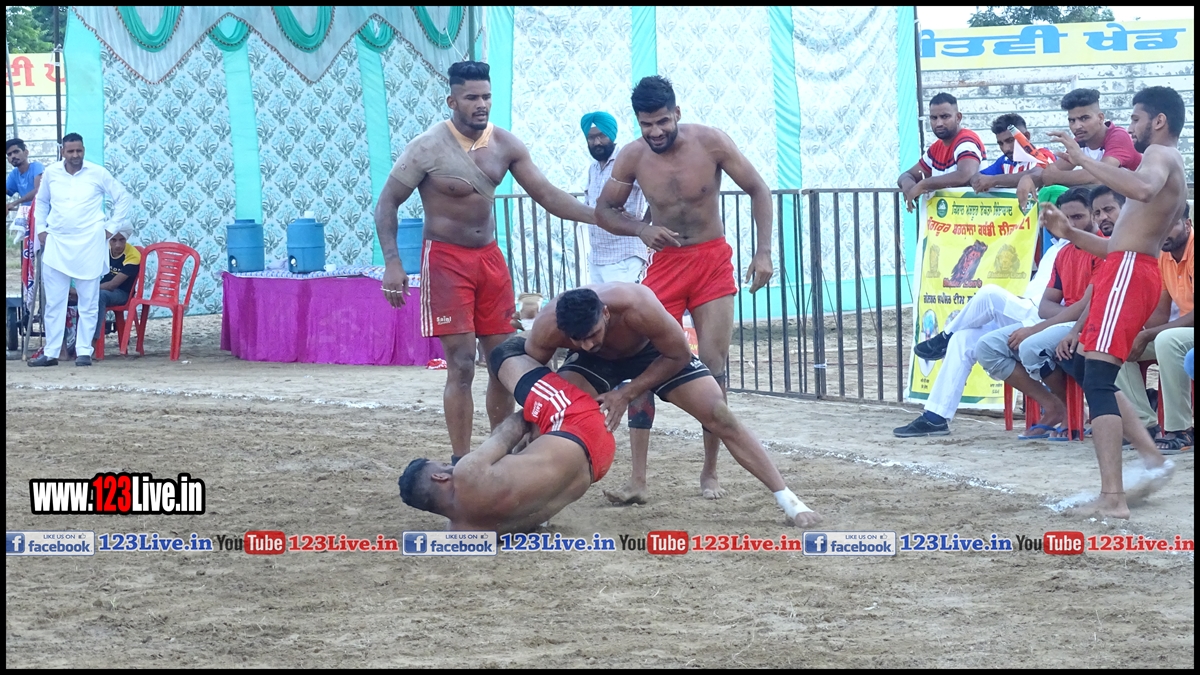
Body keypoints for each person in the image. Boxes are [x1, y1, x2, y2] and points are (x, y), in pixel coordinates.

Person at [374, 61, 596, 464]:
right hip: (446, 261)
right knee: (461, 364)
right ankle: (462, 460)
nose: (481, 104)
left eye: (487, 97)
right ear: (452, 100)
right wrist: (393, 262)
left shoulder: (506, 145)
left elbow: (548, 195)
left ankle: (499, 453)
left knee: (502, 361)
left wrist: (602, 218)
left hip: (490, 261)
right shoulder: (427, 147)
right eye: (472, 97)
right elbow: (387, 202)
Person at [593, 75, 776, 502]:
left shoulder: (711, 142)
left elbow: (758, 189)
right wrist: (641, 229)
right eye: (646, 124)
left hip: (711, 261)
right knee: (642, 361)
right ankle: (638, 481)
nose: (655, 132)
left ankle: (710, 471)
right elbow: (604, 210)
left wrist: (764, 252)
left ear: (676, 112)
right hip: (666, 265)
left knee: (713, 364)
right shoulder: (632, 156)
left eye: (662, 122)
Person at [523, 284, 822, 527]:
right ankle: (533, 504)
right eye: (578, 340)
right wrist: (542, 408)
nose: (587, 343)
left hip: (657, 354)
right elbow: (531, 374)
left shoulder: (638, 305)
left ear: (605, 313)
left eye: (592, 335)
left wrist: (626, 393)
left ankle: (789, 501)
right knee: (553, 414)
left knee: (720, 414)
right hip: (594, 364)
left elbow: (679, 354)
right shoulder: (550, 326)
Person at [1038, 86, 1186, 518]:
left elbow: (1142, 189)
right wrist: (1069, 233)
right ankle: (1151, 459)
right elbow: (1115, 246)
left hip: (1129, 273)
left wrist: (1082, 160)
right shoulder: (1164, 158)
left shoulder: (1159, 154)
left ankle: (1112, 497)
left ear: (1158, 120)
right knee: (1089, 369)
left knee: (1099, 380)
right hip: (1126, 268)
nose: (1130, 126)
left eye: (1136, 118)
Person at [896, 186, 1071, 437]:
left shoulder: (1082, 247)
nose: (1046, 221)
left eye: (1052, 215)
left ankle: (943, 337)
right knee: (963, 339)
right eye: (1045, 215)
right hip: (1026, 312)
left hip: (1044, 319)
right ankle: (935, 417)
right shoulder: (1055, 247)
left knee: (989, 294)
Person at [398, 338, 615, 533]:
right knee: (504, 354)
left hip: (598, 462)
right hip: (580, 423)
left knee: (533, 437)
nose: (448, 466)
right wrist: (534, 409)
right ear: (440, 477)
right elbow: (509, 432)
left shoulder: (466, 529)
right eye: (443, 465)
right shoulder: (467, 474)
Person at [974, 187, 1098, 437]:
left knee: (1032, 346)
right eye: (1066, 219)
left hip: (1091, 322)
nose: (1071, 225)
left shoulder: (1102, 250)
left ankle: (1073, 412)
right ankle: (1055, 406)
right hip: (1063, 321)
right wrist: (1062, 316)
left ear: (1093, 216)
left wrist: (1038, 328)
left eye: (1078, 217)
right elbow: (1045, 306)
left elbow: (1089, 305)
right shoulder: (1063, 252)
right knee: (987, 347)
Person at [579, 110, 656, 488]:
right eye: (591, 137)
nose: (596, 141)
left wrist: (645, 229)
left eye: (600, 136)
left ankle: (637, 472)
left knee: (629, 345)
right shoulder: (593, 170)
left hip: (628, 258)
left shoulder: (627, 160)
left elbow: (654, 197)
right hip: (599, 261)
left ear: (611, 135)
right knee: (602, 344)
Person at [29, 133, 131, 368]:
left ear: (83, 150)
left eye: (79, 151)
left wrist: (111, 228)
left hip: (89, 243)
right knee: (55, 301)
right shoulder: (52, 173)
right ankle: (52, 352)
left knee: (89, 300)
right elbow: (42, 202)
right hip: (57, 241)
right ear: (62, 152)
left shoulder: (97, 172)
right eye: (70, 151)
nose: (75, 155)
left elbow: (122, 198)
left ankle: (84, 351)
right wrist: (41, 229)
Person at [1113, 205, 1192, 453]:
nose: (1163, 232)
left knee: (1168, 340)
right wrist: (1137, 332)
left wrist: (1149, 334)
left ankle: (1182, 430)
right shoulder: (1164, 257)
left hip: (1182, 334)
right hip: (1184, 332)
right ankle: (1144, 426)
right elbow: (1161, 312)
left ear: (1187, 224)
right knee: (1118, 342)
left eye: (1172, 224)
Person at [1017, 88, 1141, 210]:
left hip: (1137, 207)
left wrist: (1057, 177)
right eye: (1072, 120)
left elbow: (1100, 176)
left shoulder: (1118, 136)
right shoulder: (1080, 141)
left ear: (1100, 118)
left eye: (1084, 118)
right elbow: (1049, 172)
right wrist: (1029, 178)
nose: (1077, 126)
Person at [898, 92, 985, 212]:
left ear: (958, 117)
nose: (938, 123)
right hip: (947, 219)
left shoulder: (966, 140)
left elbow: (965, 174)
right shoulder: (936, 148)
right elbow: (907, 175)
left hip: (972, 217)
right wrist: (908, 185)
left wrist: (924, 184)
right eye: (934, 118)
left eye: (945, 117)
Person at [969, 114, 1055, 193]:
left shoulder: (1043, 154)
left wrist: (994, 180)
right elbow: (977, 177)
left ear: (1026, 136)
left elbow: (1039, 175)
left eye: (1010, 140)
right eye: (1001, 144)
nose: (1006, 148)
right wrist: (978, 182)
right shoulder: (1005, 161)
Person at [94, 224, 140, 343]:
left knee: (99, 296)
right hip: (103, 288)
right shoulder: (105, 249)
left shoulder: (133, 256)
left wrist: (86, 290)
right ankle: (68, 342)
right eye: (113, 240)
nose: (117, 245)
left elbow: (112, 285)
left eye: (121, 240)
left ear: (126, 239)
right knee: (70, 299)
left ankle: (93, 341)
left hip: (122, 294)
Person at [6, 137, 44, 212]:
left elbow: (38, 190)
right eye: (9, 154)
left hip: (41, 212)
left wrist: (14, 203)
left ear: (26, 152)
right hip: (26, 213)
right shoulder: (14, 174)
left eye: (16, 152)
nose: (13, 156)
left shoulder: (37, 167)